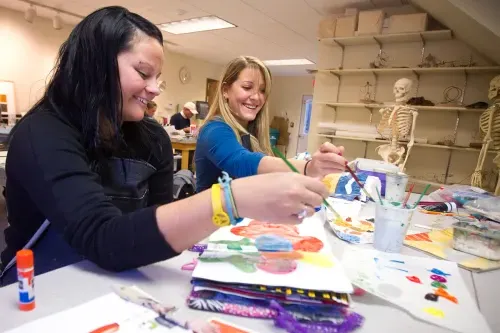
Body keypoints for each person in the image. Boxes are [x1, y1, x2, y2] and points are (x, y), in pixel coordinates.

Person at [0, 7, 330, 287]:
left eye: (158, 76)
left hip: (120, 278)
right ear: (94, 64)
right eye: (143, 73)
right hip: (40, 289)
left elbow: (153, 225)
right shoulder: (41, 134)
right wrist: (231, 199)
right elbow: (103, 238)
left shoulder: (152, 138)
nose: (155, 89)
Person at [195, 56, 347, 193]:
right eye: (247, 87)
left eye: (262, 91)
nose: (256, 97)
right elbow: (241, 162)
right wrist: (308, 167)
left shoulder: (251, 132)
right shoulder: (214, 129)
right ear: (225, 90)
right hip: (213, 223)